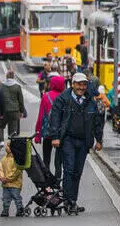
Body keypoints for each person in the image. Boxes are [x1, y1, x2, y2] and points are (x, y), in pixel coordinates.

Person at [44, 72, 104, 213]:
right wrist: (55, 137)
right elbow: (54, 118)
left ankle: (73, 200)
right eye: (79, 84)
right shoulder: (62, 99)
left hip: (84, 140)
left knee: (77, 172)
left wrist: (99, 139)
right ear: (73, 84)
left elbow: (97, 122)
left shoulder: (90, 101)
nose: (81, 87)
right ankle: (68, 201)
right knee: (69, 169)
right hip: (68, 139)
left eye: (84, 85)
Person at [34, 74, 65, 183]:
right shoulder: (65, 97)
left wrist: (38, 134)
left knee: (46, 158)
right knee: (58, 159)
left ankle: (46, 179)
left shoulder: (45, 96)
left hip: (48, 131)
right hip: (60, 132)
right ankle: (57, 179)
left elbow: (41, 116)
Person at [0, 143, 25, 217]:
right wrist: (2, 177)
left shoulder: (17, 159)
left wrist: (7, 178)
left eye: (9, 146)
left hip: (15, 184)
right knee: (5, 198)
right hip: (5, 183)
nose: (7, 147)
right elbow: (1, 169)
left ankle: (19, 209)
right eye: (7, 146)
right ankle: (5, 210)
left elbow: (16, 171)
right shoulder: (4, 158)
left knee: (17, 197)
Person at [0, 69, 26, 141]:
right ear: (13, 76)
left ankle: (1, 141)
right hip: (14, 110)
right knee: (13, 129)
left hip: (4, 110)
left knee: (0, 126)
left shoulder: (2, 86)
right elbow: (20, 100)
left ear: (6, 76)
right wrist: (21, 111)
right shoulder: (17, 86)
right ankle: (12, 143)